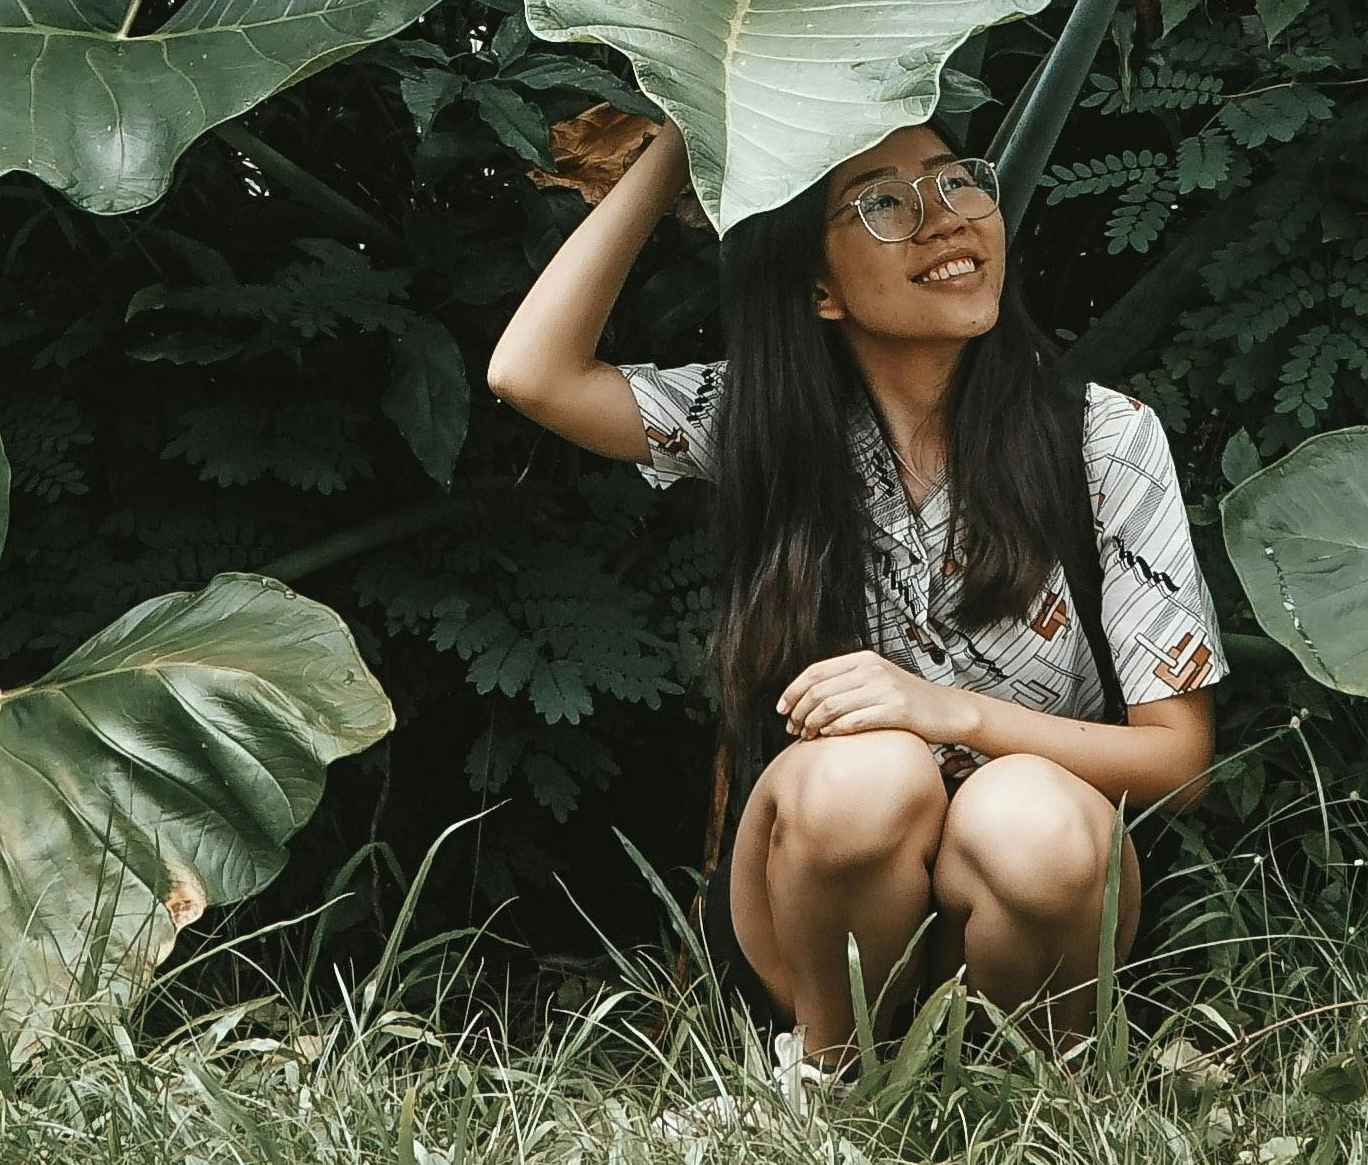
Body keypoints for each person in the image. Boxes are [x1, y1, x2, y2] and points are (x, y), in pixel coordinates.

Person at [486, 113, 1228, 1063]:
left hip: (1050, 889)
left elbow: (1181, 767)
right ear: (819, 289)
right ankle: (834, 1085)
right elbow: (530, 373)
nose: (946, 219)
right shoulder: (764, 420)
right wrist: (688, 127)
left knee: (1028, 816)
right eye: (882, 203)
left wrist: (950, 713)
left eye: (957, 181)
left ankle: (1034, 1101)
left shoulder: (1102, 439)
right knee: (869, 775)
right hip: (819, 880)